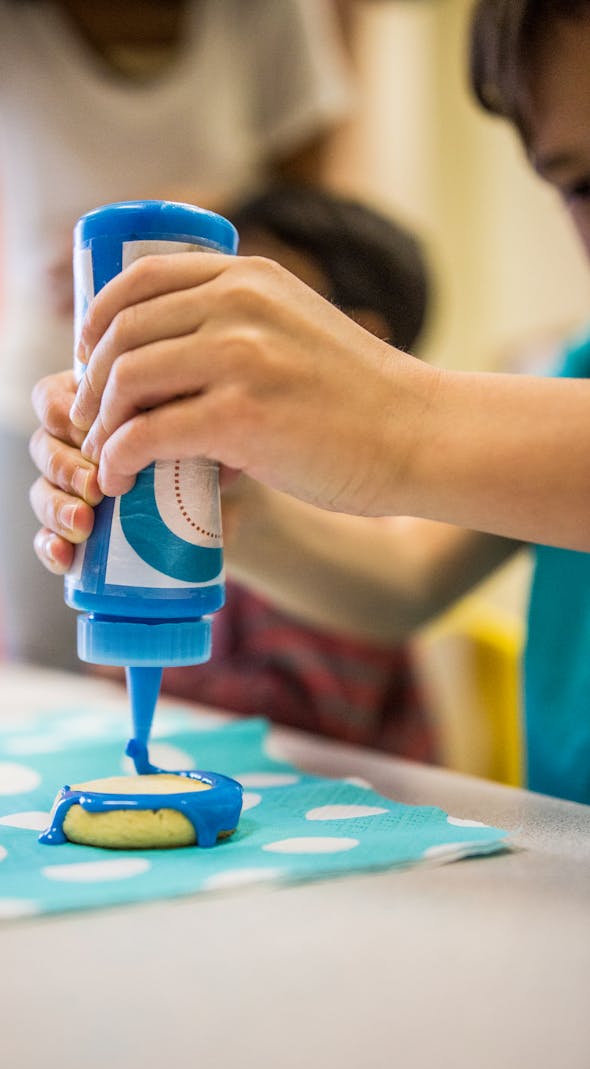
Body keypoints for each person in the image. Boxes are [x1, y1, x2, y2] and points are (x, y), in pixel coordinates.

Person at [29, 0, 590, 804]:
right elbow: (407, 576)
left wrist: (397, 425)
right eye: (580, 183)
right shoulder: (577, 368)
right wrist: (228, 506)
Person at [0, 0, 354, 668]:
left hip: (217, 415)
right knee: (47, 675)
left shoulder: (267, 13)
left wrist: (228, 215)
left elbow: (318, 217)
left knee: (219, 679)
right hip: (38, 405)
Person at [159, 184, 435, 761]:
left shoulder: (346, 504)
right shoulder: (227, 474)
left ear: (363, 341)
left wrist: (144, 673)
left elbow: (316, 721)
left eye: (250, 309)